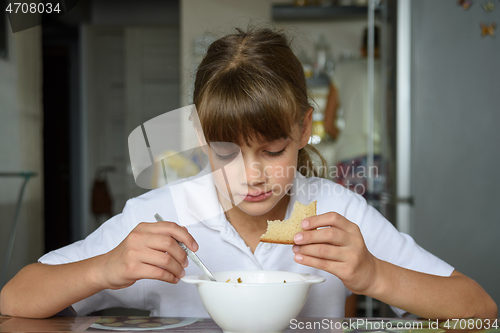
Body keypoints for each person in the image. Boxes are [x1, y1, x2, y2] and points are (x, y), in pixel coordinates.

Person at [0, 27, 496, 319]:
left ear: (304, 129)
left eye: (272, 150)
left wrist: (373, 274)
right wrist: (103, 268)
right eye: (225, 153)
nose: (252, 175)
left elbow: (481, 311)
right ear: (198, 136)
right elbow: (14, 299)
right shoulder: (160, 214)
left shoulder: (336, 210)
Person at [324, 27, 384, 200]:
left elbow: (328, 123)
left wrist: (346, 138)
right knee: (380, 219)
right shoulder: (390, 71)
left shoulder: (343, 70)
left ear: (362, 48)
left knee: (350, 217)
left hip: (350, 156)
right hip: (382, 158)